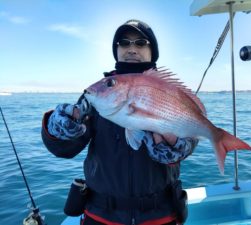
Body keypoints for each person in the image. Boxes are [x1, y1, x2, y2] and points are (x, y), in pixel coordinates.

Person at [41, 19, 198, 225]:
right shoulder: (99, 92)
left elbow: (191, 133)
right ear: (116, 50)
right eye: (124, 43)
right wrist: (58, 129)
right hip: (101, 216)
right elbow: (64, 150)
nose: (132, 49)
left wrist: (179, 148)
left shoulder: (169, 91)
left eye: (140, 43)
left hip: (160, 216)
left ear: (153, 51)